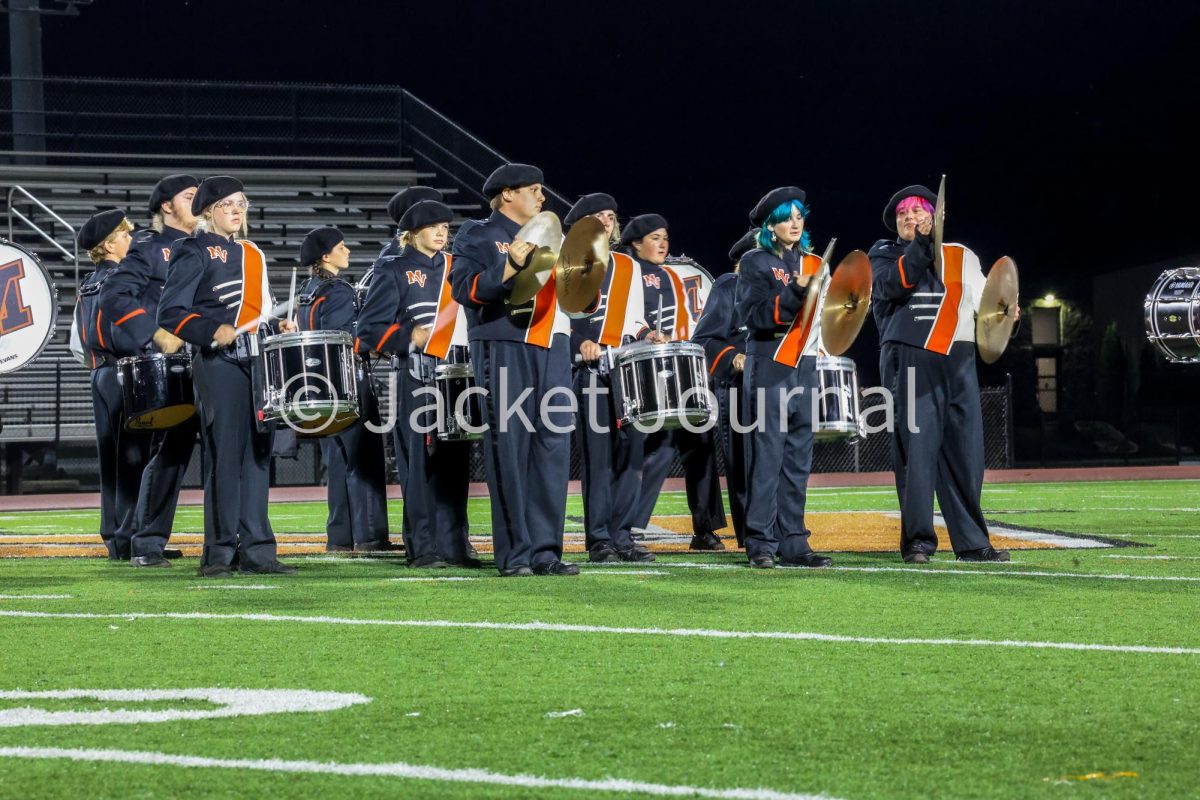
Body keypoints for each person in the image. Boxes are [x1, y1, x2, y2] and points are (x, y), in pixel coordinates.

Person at [158, 175, 298, 577]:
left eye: (242, 204)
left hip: (257, 361)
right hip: (219, 363)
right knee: (225, 455)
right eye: (228, 204)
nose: (237, 211)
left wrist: (277, 328)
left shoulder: (253, 254)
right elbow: (170, 312)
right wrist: (209, 331)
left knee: (257, 454)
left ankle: (258, 551)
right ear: (208, 211)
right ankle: (218, 553)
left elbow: (259, 314)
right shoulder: (193, 249)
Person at [869, 184, 1010, 563]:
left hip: (959, 360)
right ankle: (918, 542)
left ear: (936, 216)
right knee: (917, 455)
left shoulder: (962, 255)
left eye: (917, 211)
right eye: (902, 215)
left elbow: (987, 305)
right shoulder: (884, 254)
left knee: (966, 455)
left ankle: (972, 542)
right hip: (911, 358)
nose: (909, 218)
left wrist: (1007, 314)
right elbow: (893, 286)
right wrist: (920, 245)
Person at [449, 163, 578, 577]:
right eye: (534, 190)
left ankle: (546, 552)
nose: (543, 198)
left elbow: (574, 300)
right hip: (504, 343)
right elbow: (464, 289)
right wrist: (508, 268)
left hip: (553, 344)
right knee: (511, 446)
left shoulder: (554, 241)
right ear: (508, 194)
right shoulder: (479, 233)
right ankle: (516, 554)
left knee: (552, 450)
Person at [357, 201, 477, 568]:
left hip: (457, 372)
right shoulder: (393, 269)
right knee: (419, 465)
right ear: (412, 232)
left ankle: (455, 545)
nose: (442, 232)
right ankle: (422, 548)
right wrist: (412, 335)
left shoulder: (456, 268)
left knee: (456, 461)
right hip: (414, 373)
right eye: (434, 227)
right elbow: (369, 329)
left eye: (445, 226)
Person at [99, 174, 199, 567]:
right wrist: (155, 334)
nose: (200, 201)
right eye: (190, 197)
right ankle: (146, 539)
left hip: (209, 358)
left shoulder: (209, 248)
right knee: (171, 451)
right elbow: (114, 295)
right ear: (166, 206)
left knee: (184, 452)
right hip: (172, 365)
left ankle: (137, 536)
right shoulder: (148, 246)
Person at [735, 186, 833, 568]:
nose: (795, 222)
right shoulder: (755, 261)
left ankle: (793, 541)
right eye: (786, 216)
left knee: (797, 458)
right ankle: (760, 541)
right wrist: (794, 292)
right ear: (771, 225)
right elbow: (754, 315)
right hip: (770, 362)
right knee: (768, 455)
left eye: (799, 215)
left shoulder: (812, 263)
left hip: (805, 365)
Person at [621, 214, 727, 550]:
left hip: (680, 369)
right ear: (636, 243)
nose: (663, 244)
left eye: (665, 237)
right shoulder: (626, 272)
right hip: (643, 373)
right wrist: (646, 335)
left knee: (700, 441)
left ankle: (705, 528)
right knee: (660, 448)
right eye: (654, 238)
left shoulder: (670, 276)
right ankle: (630, 528)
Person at [566, 194, 662, 563]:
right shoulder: (568, 260)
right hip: (589, 370)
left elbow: (634, 318)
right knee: (599, 458)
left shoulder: (627, 265)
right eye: (597, 216)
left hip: (627, 369)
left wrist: (646, 334)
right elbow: (560, 318)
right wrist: (581, 342)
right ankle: (599, 539)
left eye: (610, 215)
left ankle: (623, 535)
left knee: (631, 455)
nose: (607, 221)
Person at [295, 226, 391, 554]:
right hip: (345, 380)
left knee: (338, 462)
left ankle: (340, 537)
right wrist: (379, 341)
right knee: (364, 459)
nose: (347, 251)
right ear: (326, 256)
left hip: (319, 385)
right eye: (342, 246)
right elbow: (343, 336)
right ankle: (369, 536)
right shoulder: (337, 289)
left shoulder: (308, 289)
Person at [75, 208, 150, 561]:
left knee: (110, 458)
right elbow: (128, 334)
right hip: (123, 373)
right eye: (124, 235)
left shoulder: (87, 283)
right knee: (133, 456)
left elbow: (77, 341)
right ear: (108, 244)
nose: (130, 240)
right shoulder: (118, 280)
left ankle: (113, 535)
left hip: (98, 373)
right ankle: (130, 536)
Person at [691, 229, 756, 546]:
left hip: (775, 384)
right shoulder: (729, 285)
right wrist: (734, 358)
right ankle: (752, 534)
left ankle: (783, 527)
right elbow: (705, 338)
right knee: (744, 465)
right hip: (737, 386)